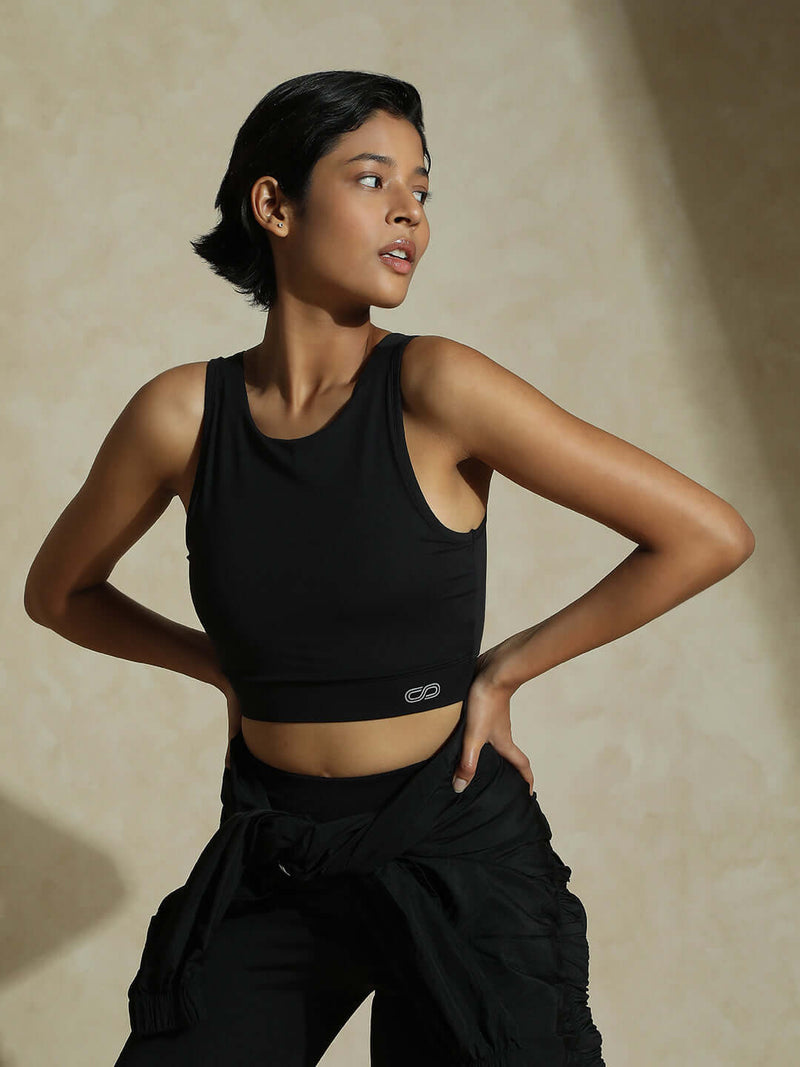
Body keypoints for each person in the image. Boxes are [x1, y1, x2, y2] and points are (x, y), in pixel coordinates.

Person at [24, 70, 755, 1066]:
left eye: (421, 187)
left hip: (453, 845)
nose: (409, 209)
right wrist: (224, 668)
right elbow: (60, 593)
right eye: (373, 179)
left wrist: (505, 670)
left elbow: (706, 533)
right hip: (279, 850)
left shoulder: (436, 384)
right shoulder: (182, 415)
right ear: (274, 205)